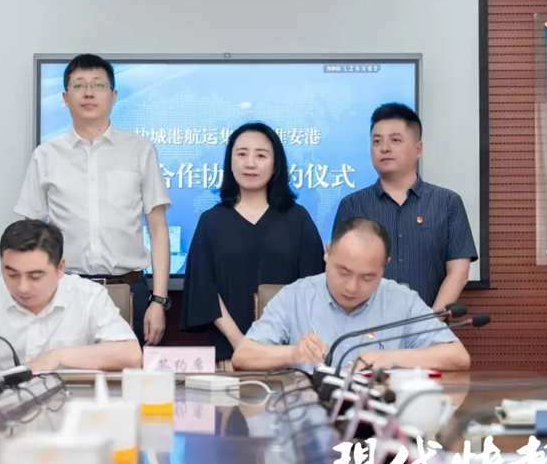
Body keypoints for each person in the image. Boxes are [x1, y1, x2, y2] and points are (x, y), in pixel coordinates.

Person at [14, 54, 171, 347]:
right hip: (66, 291)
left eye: (98, 85)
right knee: (64, 370)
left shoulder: (140, 150)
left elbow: (158, 228)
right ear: (65, 97)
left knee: (129, 373)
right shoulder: (46, 155)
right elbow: (31, 235)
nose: (88, 93)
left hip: (129, 289)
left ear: (113, 96)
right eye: (79, 85)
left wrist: (159, 300)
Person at [231, 217, 471, 372]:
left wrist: (390, 358)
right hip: (308, 419)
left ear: (385, 266)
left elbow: (458, 356)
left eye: (367, 278)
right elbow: (243, 357)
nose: (352, 287)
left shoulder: (402, 300)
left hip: (380, 421)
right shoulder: (295, 296)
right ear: (327, 253)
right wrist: (293, 353)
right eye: (343, 272)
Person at [0, 220, 142, 373]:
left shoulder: (88, 296)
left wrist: (58, 357)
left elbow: (131, 355)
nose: (22, 287)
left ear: (60, 267)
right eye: (11, 274)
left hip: (71, 412)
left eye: (35, 276)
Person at [180, 122, 325, 369]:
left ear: (275, 165)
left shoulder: (298, 219)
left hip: (288, 355)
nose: (250, 163)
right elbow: (203, 289)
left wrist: (279, 351)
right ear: (230, 162)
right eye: (242, 154)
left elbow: (313, 289)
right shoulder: (211, 221)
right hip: (229, 353)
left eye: (261, 155)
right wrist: (241, 344)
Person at [333, 103, 477, 309]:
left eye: (395, 140)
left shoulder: (447, 203)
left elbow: (458, 272)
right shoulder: (353, 205)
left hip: (430, 322)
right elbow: (341, 272)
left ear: (418, 149)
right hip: (365, 325)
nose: (384, 148)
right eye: (376, 141)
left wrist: (430, 322)